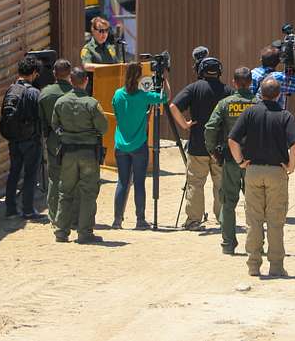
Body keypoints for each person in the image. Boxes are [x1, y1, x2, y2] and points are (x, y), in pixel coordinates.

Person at [228, 77, 295, 277]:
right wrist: (291, 166)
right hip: (276, 172)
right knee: (275, 221)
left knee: (253, 220)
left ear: (260, 93)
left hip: (253, 170)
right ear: (278, 95)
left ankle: (253, 265)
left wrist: (240, 162)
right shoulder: (285, 115)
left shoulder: (250, 112)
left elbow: (232, 140)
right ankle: (276, 266)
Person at [169, 55, 230, 230]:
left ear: (201, 70)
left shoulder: (194, 88)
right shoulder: (227, 90)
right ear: (219, 71)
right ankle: (223, 218)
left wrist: (185, 125)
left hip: (197, 144)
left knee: (195, 183)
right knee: (221, 183)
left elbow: (173, 106)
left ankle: (194, 220)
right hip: (219, 146)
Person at [205, 67, 258, 255]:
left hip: (231, 159)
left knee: (228, 202)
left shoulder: (225, 104)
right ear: (250, 82)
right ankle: (256, 243)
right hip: (255, 160)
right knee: (256, 203)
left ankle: (228, 244)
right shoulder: (258, 103)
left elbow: (211, 128)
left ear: (234, 83)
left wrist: (212, 151)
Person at [53, 67, 108, 244]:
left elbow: (55, 125)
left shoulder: (61, 102)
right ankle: (84, 233)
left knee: (65, 191)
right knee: (88, 192)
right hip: (88, 153)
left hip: (68, 152)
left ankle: (61, 231)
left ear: (71, 81)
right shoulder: (92, 103)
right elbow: (104, 128)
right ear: (85, 81)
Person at [111, 62, 169, 230]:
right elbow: (165, 97)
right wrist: (164, 79)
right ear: (138, 78)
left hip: (121, 144)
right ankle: (140, 219)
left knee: (122, 182)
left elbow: (116, 111)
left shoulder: (117, 95)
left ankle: (117, 220)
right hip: (138, 145)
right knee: (139, 182)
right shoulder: (143, 96)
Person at [2, 56, 44, 219]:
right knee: (30, 174)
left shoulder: (11, 90)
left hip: (13, 139)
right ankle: (28, 209)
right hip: (31, 140)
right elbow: (40, 116)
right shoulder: (33, 92)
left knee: (14, 172)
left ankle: (11, 209)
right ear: (33, 73)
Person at [39, 58, 74, 224]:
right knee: (74, 178)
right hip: (74, 141)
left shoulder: (45, 93)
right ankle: (72, 216)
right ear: (70, 74)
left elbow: (41, 121)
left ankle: (54, 216)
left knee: (54, 178)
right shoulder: (76, 93)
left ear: (54, 73)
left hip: (54, 140)